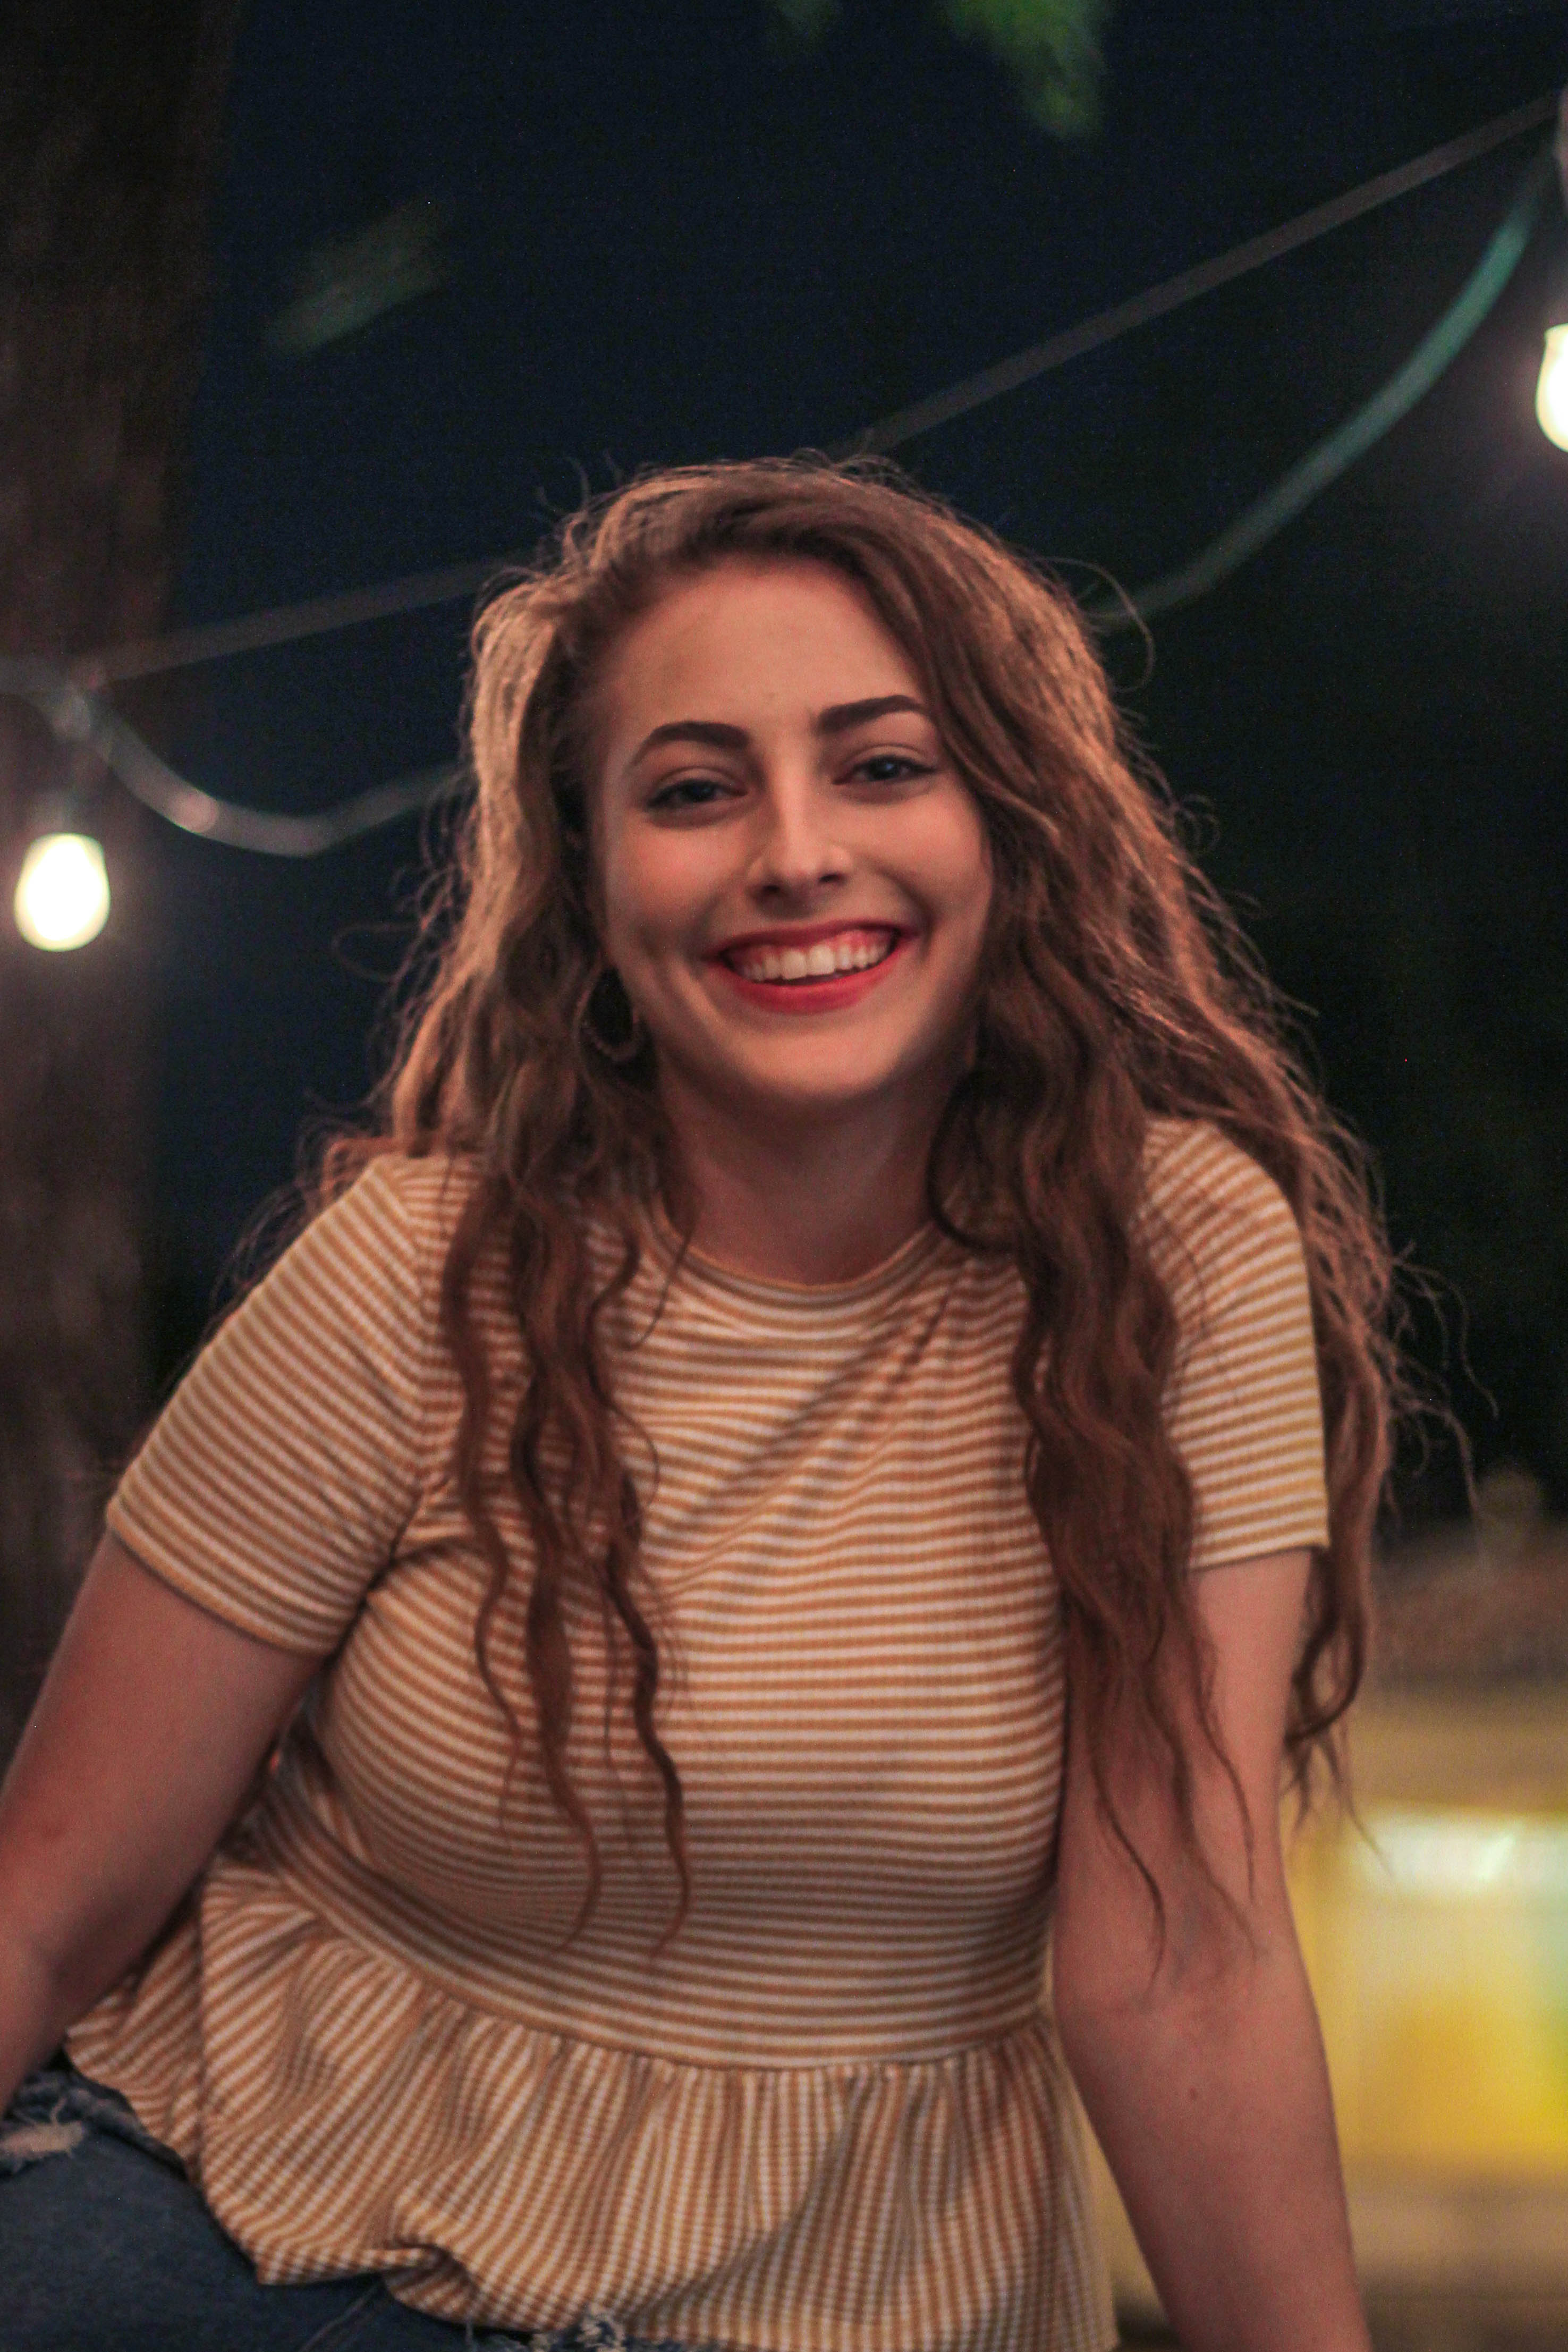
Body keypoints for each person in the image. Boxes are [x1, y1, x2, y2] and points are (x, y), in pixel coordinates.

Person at [0, 458, 1403, 2352]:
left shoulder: (1174, 1261)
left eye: (883, 764)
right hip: (231, 2240)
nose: (795, 853)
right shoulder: (412, 1278)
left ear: (1011, 823)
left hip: (858, 2303)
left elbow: (1178, 1965)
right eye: (693, 790)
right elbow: (48, 1900)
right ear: (590, 885)